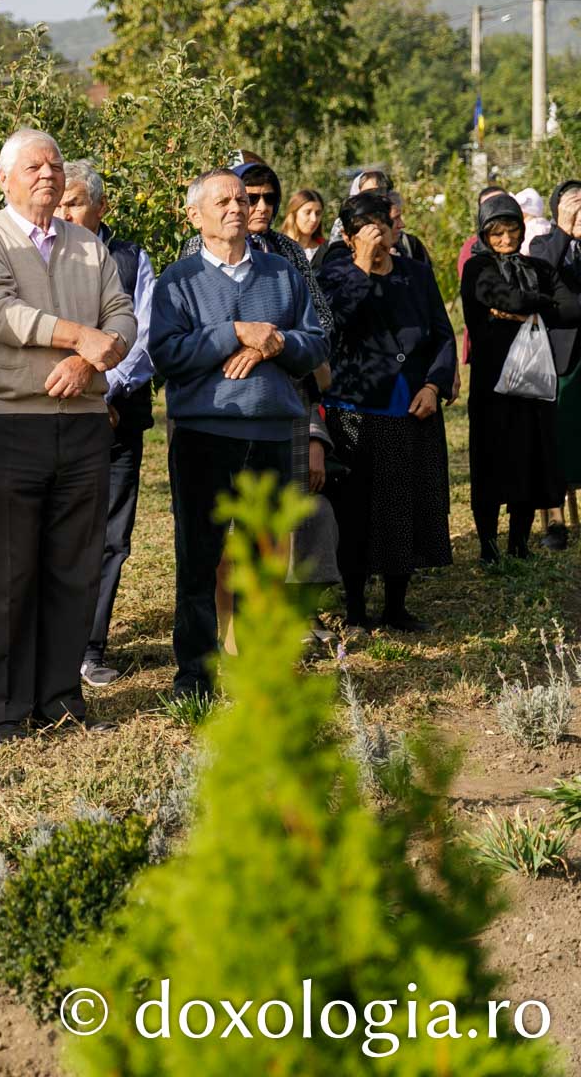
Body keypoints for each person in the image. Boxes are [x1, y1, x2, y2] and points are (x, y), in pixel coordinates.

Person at [0, 128, 134, 745]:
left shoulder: (88, 245)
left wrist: (87, 361)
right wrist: (77, 336)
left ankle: (60, 697)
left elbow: (122, 316)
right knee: (7, 573)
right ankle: (4, 709)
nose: (48, 174)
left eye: (54, 165)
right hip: (8, 422)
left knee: (72, 568)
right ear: (3, 178)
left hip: (82, 422)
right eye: (33, 167)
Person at [150, 168, 327, 700]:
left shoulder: (282, 274)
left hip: (271, 432)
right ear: (194, 216)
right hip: (204, 434)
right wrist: (233, 334)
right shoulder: (177, 281)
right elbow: (167, 354)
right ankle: (195, 678)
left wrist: (275, 343)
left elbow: (316, 344)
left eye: (242, 200)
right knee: (200, 559)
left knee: (265, 560)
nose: (237, 208)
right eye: (223, 201)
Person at [317, 193, 454, 630]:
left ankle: (397, 605)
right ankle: (355, 607)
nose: (378, 232)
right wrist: (361, 264)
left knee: (402, 507)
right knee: (355, 510)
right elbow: (333, 327)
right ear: (347, 236)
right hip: (355, 409)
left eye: (383, 222)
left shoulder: (416, 274)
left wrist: (433, 385)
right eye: (365, 226)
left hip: (410, 407)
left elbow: (442, 334)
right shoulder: (333, 275)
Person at [58, 161, 153, 687]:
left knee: (112, 534)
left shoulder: (131, 259)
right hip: (57, 409)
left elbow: (144, 335)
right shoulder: (38, 253)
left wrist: (106, 390)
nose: (63, 212)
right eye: (58, 202)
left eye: (73, 202)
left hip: (118, 415)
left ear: (101, 207)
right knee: (58, 529)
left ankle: (90, 646)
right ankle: (51, 643)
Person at [462, 194, 581, 562]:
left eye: (512, 230)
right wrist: (537, 303)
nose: (506, 239)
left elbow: (570, 308)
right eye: (496, 233)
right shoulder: (478, 267)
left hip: (533, 382)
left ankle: (519, 543)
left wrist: (526, 307)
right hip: (493, 383)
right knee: (491, 459)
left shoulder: (537, 267)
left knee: (529, 459)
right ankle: (488, 546)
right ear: (484, 234)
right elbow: (504, 297)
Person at [528, 179, 581, 549]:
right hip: (561, 357)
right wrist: (563, 230)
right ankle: (555, 523)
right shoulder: (543, 244)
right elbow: (539, 276)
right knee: (555, 439)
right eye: (572, 206)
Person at [282, 188, 328, 263]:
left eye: (318, 213)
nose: (314, 219)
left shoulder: (326, 249)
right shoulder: (277, 247)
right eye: (307, 212)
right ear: (294, 214)